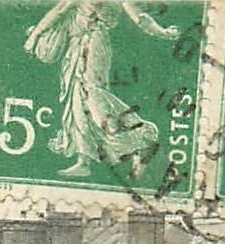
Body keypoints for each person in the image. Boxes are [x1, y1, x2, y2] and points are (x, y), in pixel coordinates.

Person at [24, 0, 181, 179]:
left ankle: (139, 138)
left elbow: (60, 9)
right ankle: (84, 161)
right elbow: (140, 18)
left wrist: (34, 36)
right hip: (78, 44)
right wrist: (164, 32)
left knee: (93, 95)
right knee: (78, 99)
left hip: (92, 43)